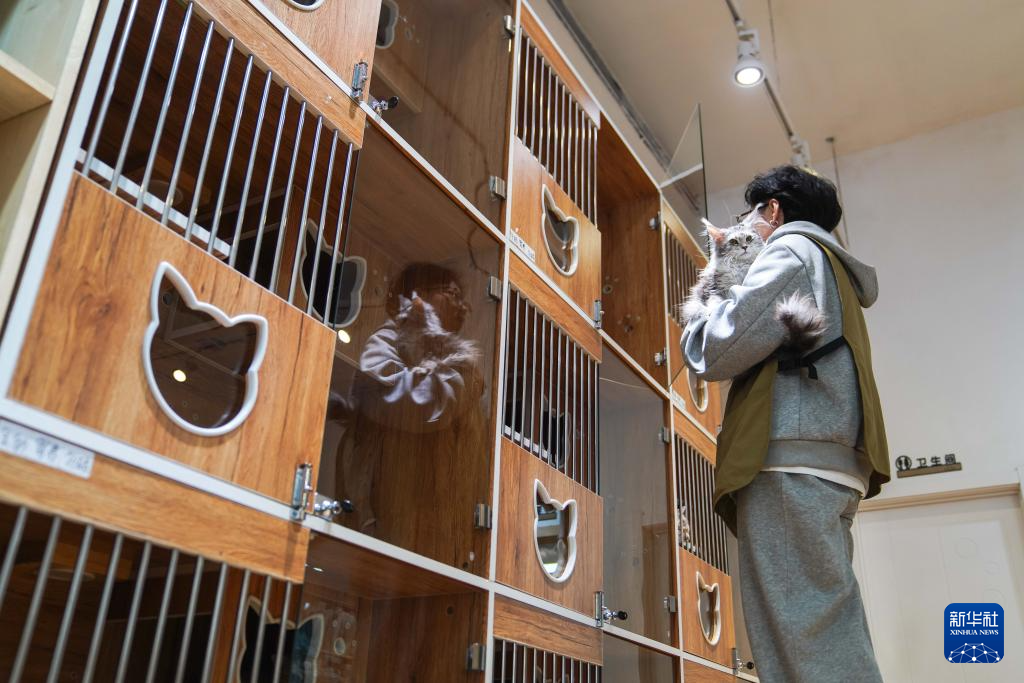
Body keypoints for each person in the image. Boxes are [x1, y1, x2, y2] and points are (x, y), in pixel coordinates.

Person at [682, 165, 890, 683]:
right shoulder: (833, 268)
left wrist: (714, 288)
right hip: (831, 464)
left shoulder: (792, 251)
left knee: (800, 639)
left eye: (750, 214)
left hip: (791, 464)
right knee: (824, 627)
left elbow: (713, 350)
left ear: (772, 209)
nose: (746, 226)